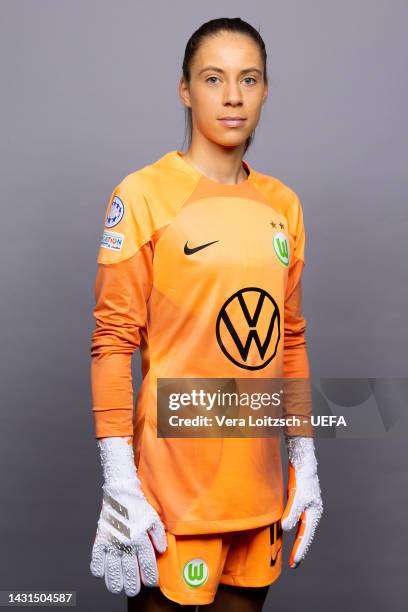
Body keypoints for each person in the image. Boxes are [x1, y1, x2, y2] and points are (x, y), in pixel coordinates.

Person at [89, 17, 323, 612]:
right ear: (185, 89)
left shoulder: (283, 205)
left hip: (258, 495)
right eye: (213, 78)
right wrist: (119, 480)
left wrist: (305, 458)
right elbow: (113, 343)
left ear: (267, 89)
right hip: (170, 499)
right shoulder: (144, 195)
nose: (233, 96)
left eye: (249, 79)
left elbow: (288, 341)